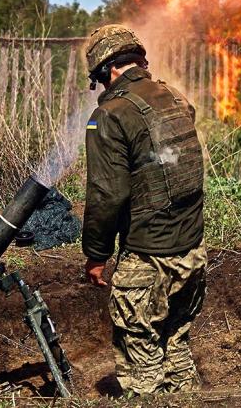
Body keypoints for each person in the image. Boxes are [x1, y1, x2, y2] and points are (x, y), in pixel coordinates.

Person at [82, 24, 207, 396]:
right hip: (192, 253)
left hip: (147, 259)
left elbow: (107, 194)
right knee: (177, 344)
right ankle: (188, 399)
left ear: (107, 71)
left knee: (143, 366)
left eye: (100, 80)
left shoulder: (110, 115)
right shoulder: (175, 97)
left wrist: (96, 255)